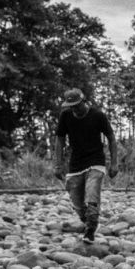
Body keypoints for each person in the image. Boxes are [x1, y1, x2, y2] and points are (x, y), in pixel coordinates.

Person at [54, 87, 118, 244]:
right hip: (76, 163)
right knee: (76, 201)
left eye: (77, 105)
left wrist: (114, 163)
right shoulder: (66, 116)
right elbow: (60, 139)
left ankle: (91, 229)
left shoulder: (97, 115)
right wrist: (58, 164)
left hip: (96, 161)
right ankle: (87, 220)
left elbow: (111, 137)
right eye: (71, 106)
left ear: (83, 101)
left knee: (91, 194)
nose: (74, 109)